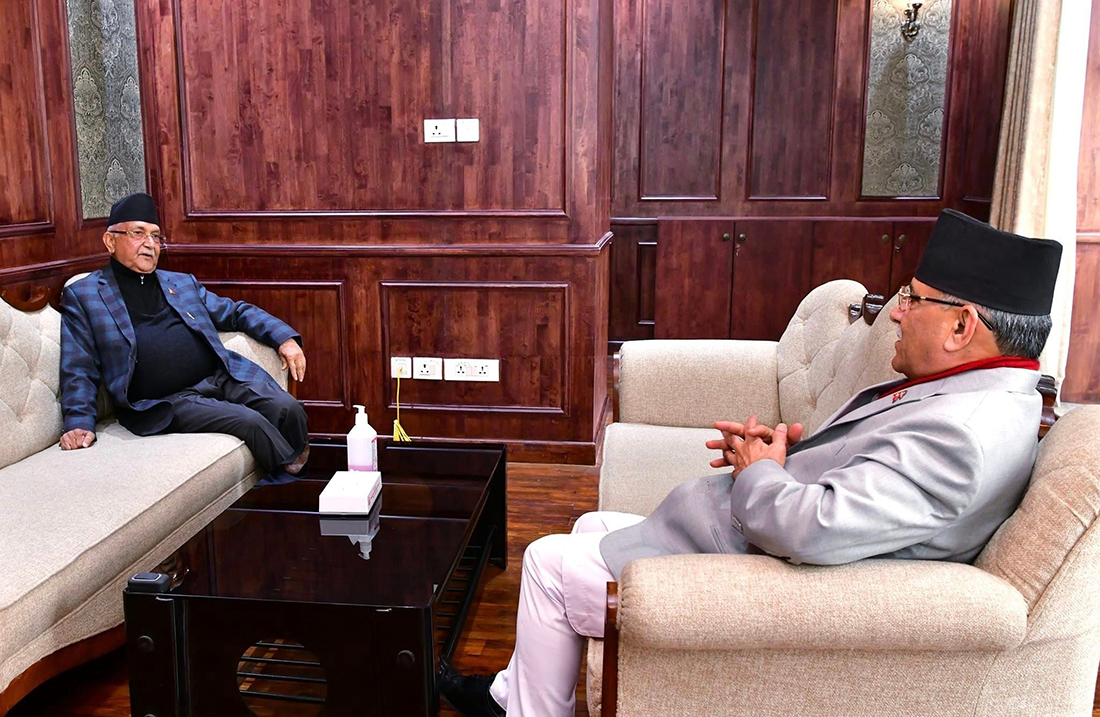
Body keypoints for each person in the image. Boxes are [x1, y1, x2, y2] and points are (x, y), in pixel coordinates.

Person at [439, 208, 1063, 717]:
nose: (896, 312)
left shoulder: (962, 436)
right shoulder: (977, 396)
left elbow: (813, 530)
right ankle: (510, 696)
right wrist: (776, 458)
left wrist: (759, 471)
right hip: (744, 533)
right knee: (585, 527)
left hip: (749, 569)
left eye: (913, 299)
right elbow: (864, 483)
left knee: (546, 562)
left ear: (961, 327)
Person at [59, 192, 310, 481]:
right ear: (110, 241)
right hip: (165, 401)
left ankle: (298, 473)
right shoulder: (85, 295)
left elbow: (235, 312)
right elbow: (78, 366)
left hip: (219, 376)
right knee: (250, 422)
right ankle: (294, 485)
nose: (150, 244)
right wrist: (78, 422)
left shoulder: (180, 283)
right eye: (138, 233)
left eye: (155, 236)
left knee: (288, 408)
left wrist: (283, 339)